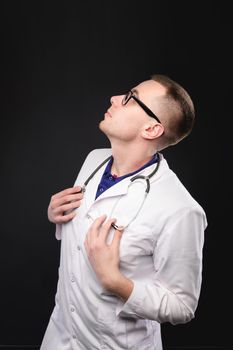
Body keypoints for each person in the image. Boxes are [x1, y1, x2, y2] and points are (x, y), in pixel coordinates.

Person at [40, 74, 207, 350]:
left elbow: (182, 306)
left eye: (131, 98)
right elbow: (83, 238)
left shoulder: (181, 210)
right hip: (60, 337)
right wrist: (57, 216)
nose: (115, 98)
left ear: (152, 129)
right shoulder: (94, 160)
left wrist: (115, 282)